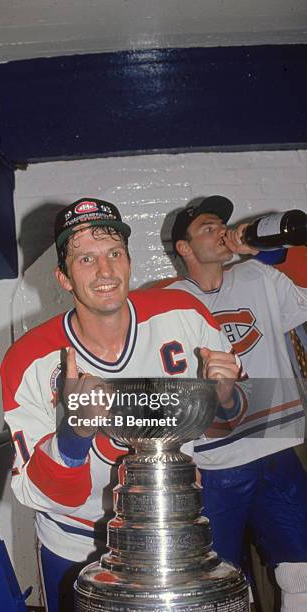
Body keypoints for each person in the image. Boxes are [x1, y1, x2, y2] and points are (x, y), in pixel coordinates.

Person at [0, 197, 243, 612]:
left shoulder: (185, 314)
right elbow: (41, 493)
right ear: (64, 278)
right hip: (77, 543)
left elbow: (232, 421)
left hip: (174, 535)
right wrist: (75, 431)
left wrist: (225, 396)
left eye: (114, 254)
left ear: (130, 262)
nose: (105, 271)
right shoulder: (28, 360)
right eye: (86, 259)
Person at [158, 195, 307, 611]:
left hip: (277, 451)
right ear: (184, 248)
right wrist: (180, 457)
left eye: (222, 225)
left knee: (302, 570)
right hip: (214, 464)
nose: (221, 232)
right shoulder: (165, 301)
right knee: (215, 581)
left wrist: (271, 252)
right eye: (208, 227)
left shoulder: (259, 276)